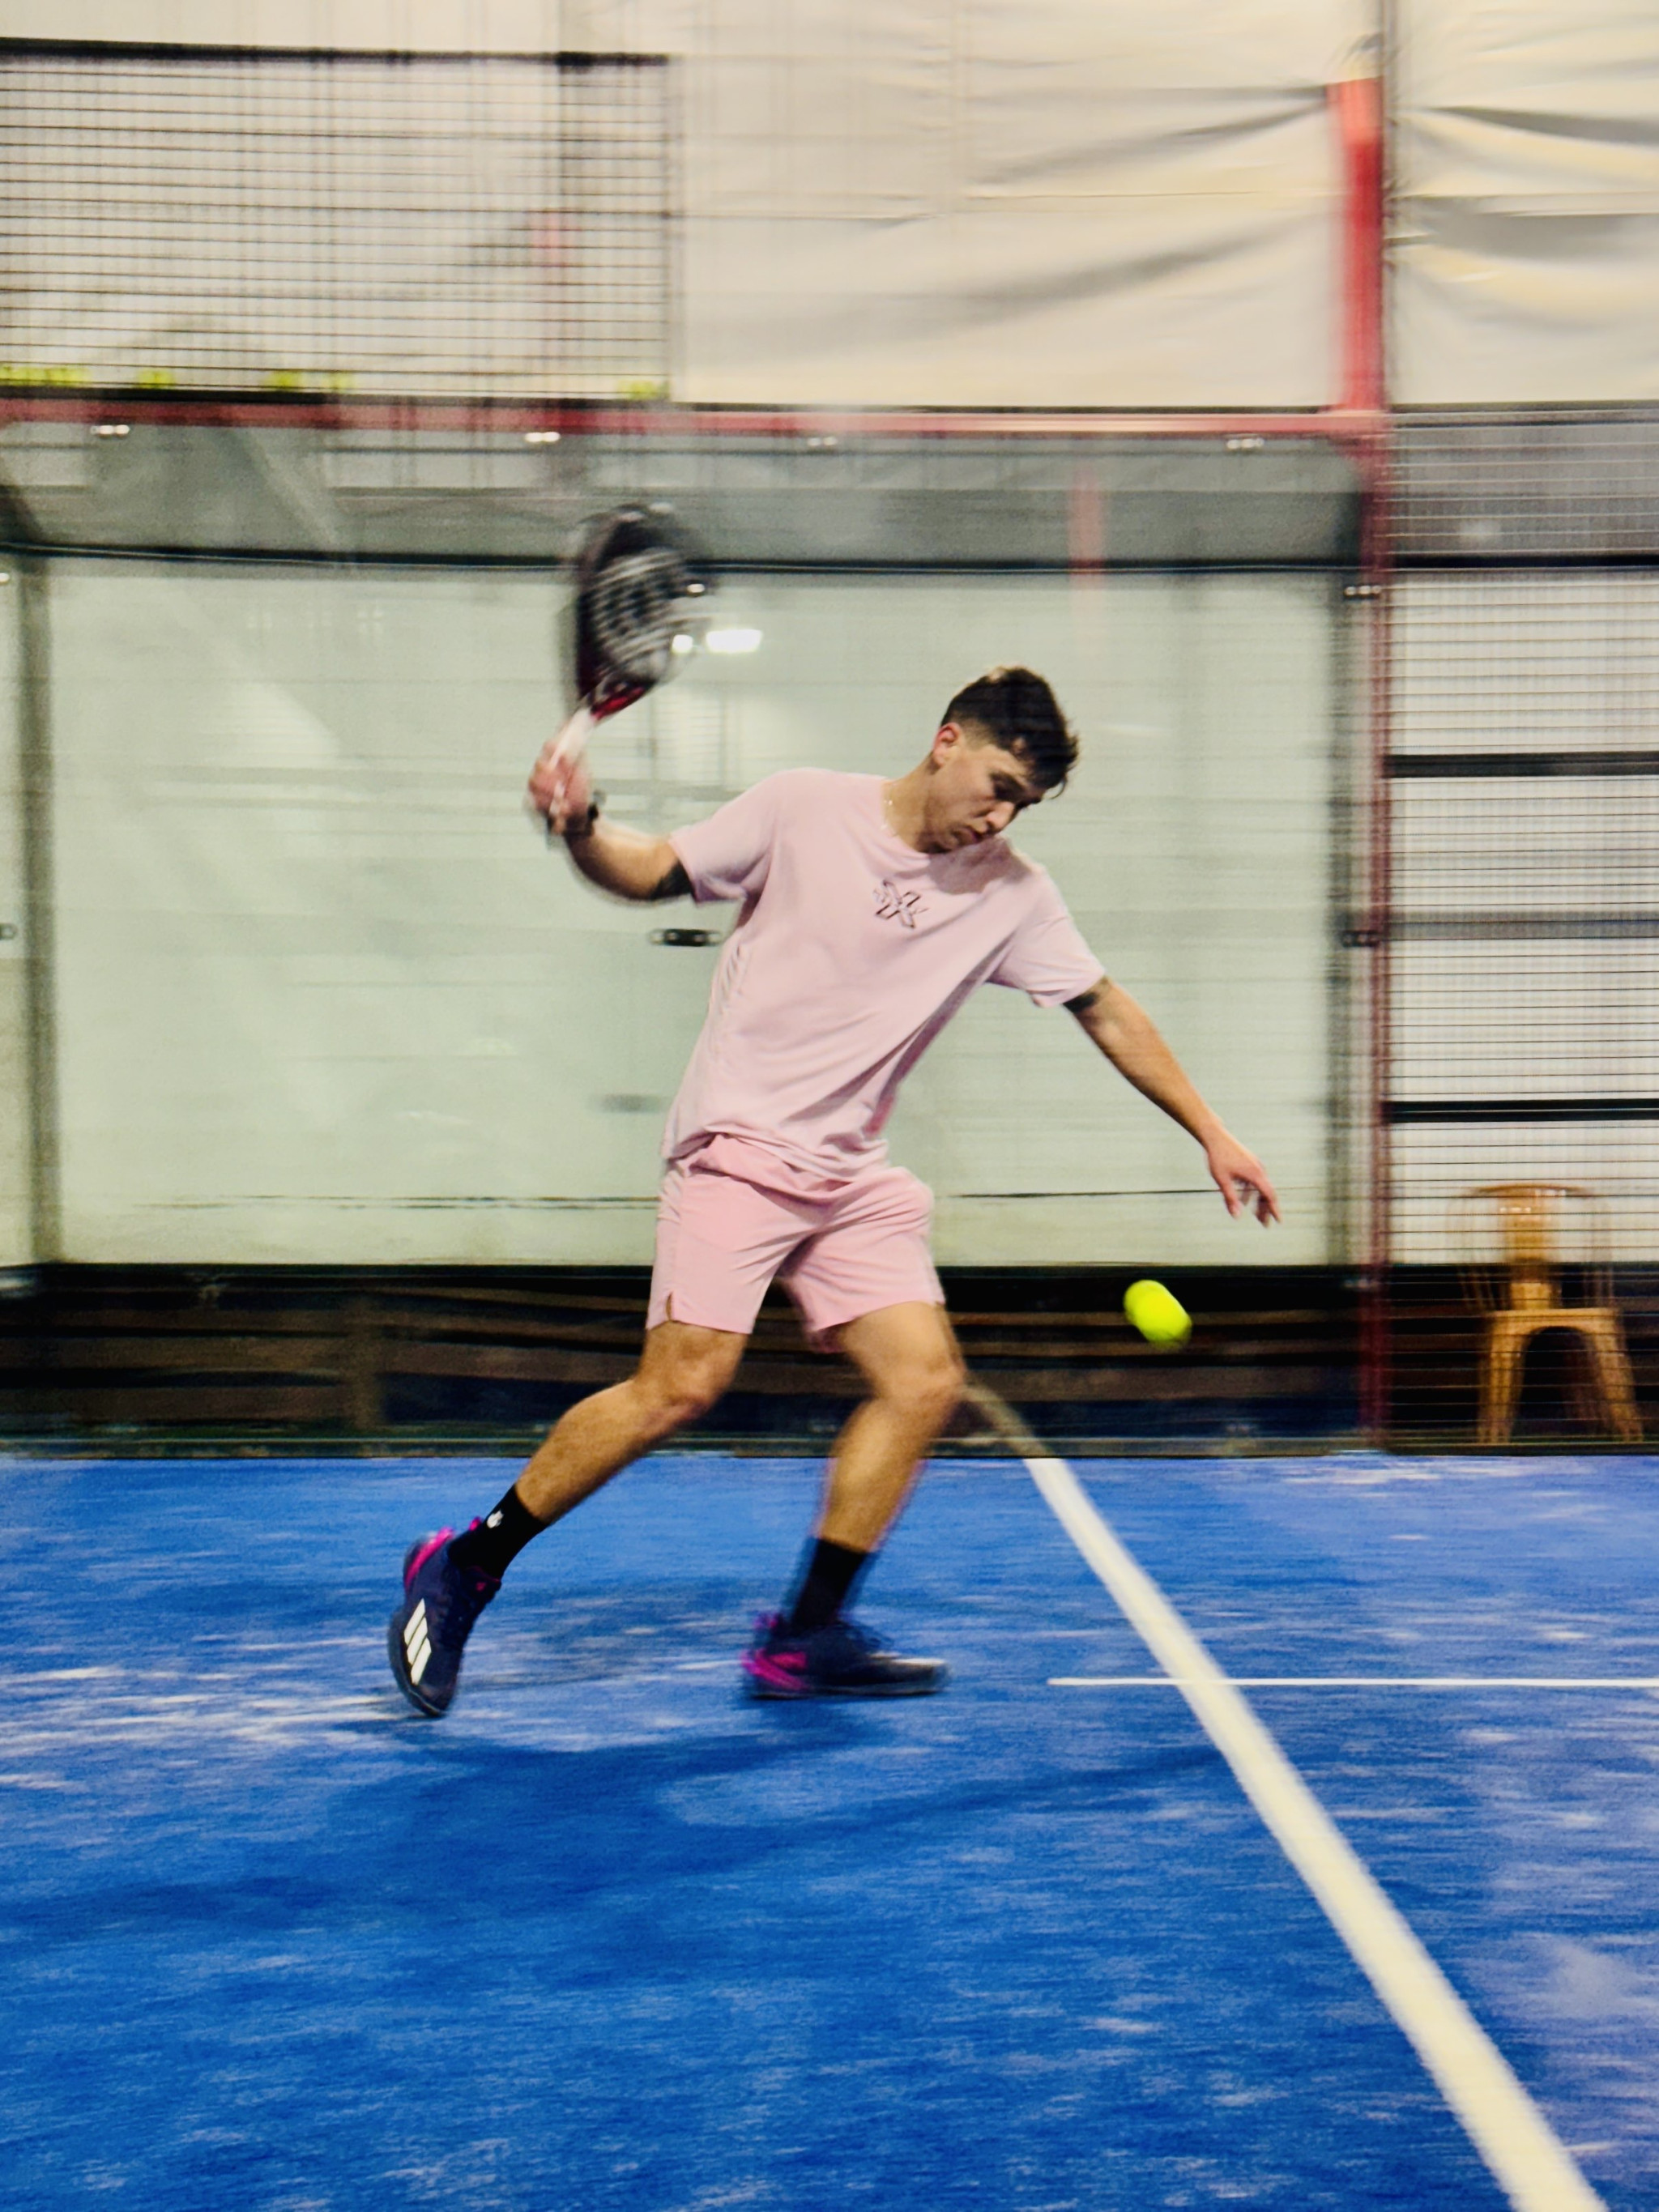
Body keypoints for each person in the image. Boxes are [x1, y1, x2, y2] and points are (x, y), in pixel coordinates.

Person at [389, 667, 1277, 1715]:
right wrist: (581, 825)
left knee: (923, 1384)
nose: (999, 817)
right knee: (680, 1388)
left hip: (850, 1175)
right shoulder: (802, 808)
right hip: (738, 1147)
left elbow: (1106, 1007)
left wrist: (1211, 1131)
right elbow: (650, 870)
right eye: (996, 787)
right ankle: (465, 1565)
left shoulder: (1012, 894)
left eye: (1023, 805)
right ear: (947, 741)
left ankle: (805, 1636)